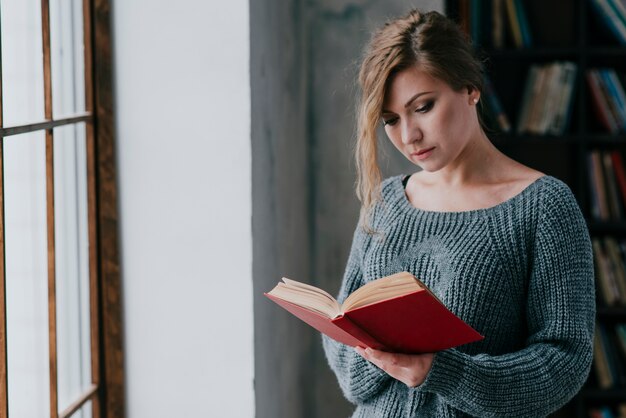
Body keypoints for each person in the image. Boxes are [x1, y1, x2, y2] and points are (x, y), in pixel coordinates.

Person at [322, 9, 595, 418]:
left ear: (470, 89)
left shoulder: (543, 206)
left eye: (424, 106)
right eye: (391, 120)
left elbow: (563, 364)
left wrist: (442, 371)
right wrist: (382, 349)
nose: (409, 136)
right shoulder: (385, 203)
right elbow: (349, 375)